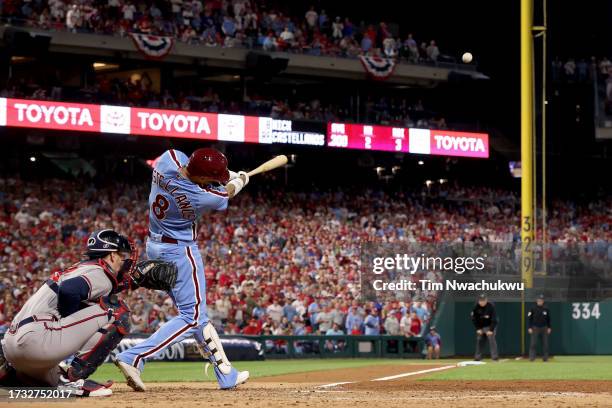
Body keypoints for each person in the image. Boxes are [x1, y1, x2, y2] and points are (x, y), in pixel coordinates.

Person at [114, 148, 250, 391]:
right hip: (180, 250)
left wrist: (225, 174)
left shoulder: (168, 159)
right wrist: (239, 180)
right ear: (200, 177)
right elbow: (225, 193)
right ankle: (134, 357)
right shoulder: (202, 196)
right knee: (192, 316)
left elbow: (203, 174)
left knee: (196, 313)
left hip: (155, 244)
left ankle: (226, 373)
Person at [0, 230, 138, 396]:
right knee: (117, 311)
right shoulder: (100, 272)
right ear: (111, 256)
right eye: (122, 255)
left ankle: (14, 376)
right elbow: (69, 290)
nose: (125, 260)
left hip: (13, 350)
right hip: (37, 342)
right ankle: (73, 380)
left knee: (54, 381)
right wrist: (69, 319)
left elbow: (72, 290)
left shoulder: (80, 269)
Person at [471, 293, 499, 361]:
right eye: (480, 300)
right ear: (478, 301)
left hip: (490, 325)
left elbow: (494, 320)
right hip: (481, 326)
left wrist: (491, 330)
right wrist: (478, 329)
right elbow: (474, 319)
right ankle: (478, 357)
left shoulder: (490, 307)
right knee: (480, 340)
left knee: (491, 339)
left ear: (486, 300)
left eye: (483, 300)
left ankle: (494, 357)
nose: (482, 302)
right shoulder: (476, 307)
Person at [528, 294, 551, 361]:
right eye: (539, 300)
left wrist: (549, 327)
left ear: (543, 301)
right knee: (533, 343)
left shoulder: (546, 309)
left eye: (541, 300)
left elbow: (548, 319)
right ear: (537, 301)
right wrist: (529, 327)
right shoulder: (533, 308)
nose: (540, 301)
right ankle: (532, 357)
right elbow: (530, 318)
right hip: (535, 328)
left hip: (544, 328)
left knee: (545, 344)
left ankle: (545, 358)